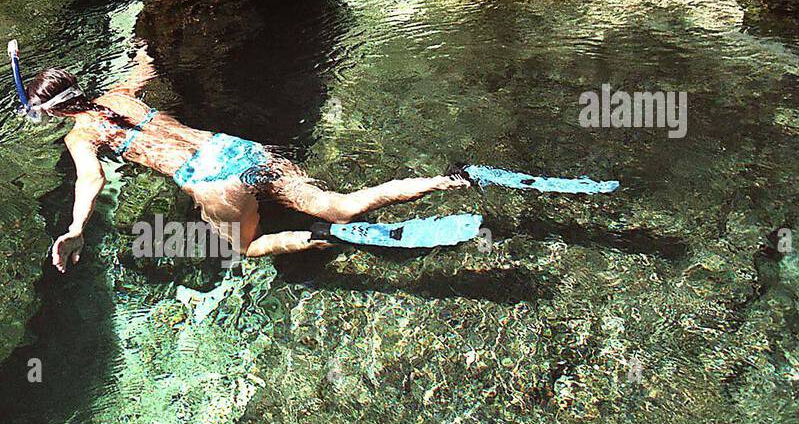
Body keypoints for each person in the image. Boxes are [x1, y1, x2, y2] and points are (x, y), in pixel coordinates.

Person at [25, 46, 469, 273]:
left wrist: (76, 229)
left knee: (246, 248)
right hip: (237, 148)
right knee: (338, 202)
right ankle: (447, 181)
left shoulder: (81, 135)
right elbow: (148, 62)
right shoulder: (120, 95)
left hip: (214, 182)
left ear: (52, 111)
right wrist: (144, 41)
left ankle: (331, 239)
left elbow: (92, 182)